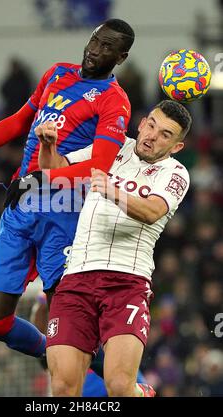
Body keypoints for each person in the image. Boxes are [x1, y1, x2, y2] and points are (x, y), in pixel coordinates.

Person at [0, 19, 135, 362]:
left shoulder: (115, 101)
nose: (94, 50)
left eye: (107, 47)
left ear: (121, 57)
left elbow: (99, 166)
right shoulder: (57, 73)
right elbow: (18, 121)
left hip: (64, 213)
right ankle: (64, 356)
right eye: (95, 41)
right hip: (21, 205)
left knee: (68, 330)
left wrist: (42, 179)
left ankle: (118, 377)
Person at [44, 100, 192, 397]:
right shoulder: (113, 147)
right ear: (141, 123)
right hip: (77, 278)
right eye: (151, 125)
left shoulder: (175, 173)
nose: (152, 136)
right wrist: (48, 146)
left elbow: (152, 211)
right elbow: (55, 172)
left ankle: (140, 393)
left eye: (165, 134)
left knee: (120, 386)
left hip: (127, 281)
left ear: (176, 147)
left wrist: (110, 188)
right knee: (62, 388)